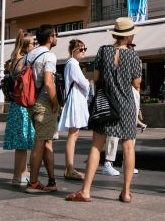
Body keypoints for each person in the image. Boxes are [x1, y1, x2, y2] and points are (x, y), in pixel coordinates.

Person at [66, 17, 142, 203]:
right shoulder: (133, 56)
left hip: (106, 104)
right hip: (127, 105)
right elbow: (137, 84)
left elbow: (97, 78)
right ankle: (125, 192)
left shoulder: (103, 51)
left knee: (96, 146)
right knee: (128, 147)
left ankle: (85, 191)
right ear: (128, 35)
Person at [24, 25, 60, 194]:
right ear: (50, 38)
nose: (57, 37)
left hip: (30, 102)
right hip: (44, 102)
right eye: (56, 34)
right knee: (40, 142)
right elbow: (48, 82)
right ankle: (33, 182)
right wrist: (55, 103)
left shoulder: (29, 55)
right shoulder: (49, 56)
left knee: (46, 141)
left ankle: (52, 180)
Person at [3, 31, 36, 187]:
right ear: (25, 46)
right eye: (32, 43)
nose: (34, 46)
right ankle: (18, 175)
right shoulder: (24, 61)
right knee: (22, 143)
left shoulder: (14, 60)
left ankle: (22, 172)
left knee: (21, 144)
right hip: (23, 105)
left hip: (16, 105)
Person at [58, 39, 90, 180]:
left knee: (73, 135)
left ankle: (69, 168)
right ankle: (69, 168)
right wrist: (88, 84)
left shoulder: (71, 64)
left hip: (75, 100)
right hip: (75, 101)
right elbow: (83, 82)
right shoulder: (72, 64)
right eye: (81, 49)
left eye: (84, 49)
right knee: (73, 135)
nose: (83, 52)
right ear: (73, 51)